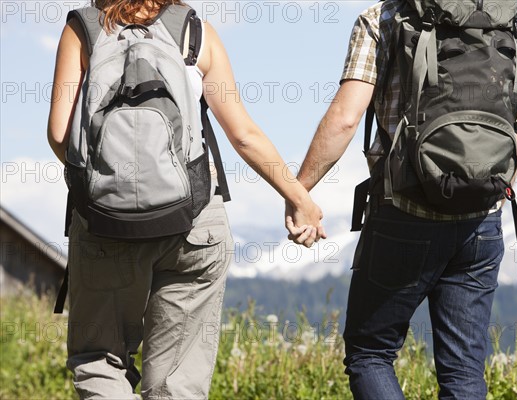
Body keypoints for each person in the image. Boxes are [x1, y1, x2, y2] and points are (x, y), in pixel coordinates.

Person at [47, 0, 324, 398]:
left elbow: (59, 133)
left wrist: (107, 182)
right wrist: (299, 198)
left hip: (103, 225)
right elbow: (243, 134)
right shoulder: (195, 31)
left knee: (100, 360)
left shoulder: (83, 28)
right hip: (193, 220)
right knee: (177, 380)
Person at [287, 1, 517, 399]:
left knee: (370, 353)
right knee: (464, 372)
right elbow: (516, 121)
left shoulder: (381, 17)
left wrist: (299, 191)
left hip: (404, 212)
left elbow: (346, 117)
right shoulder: (501, 15)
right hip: (481, 218)